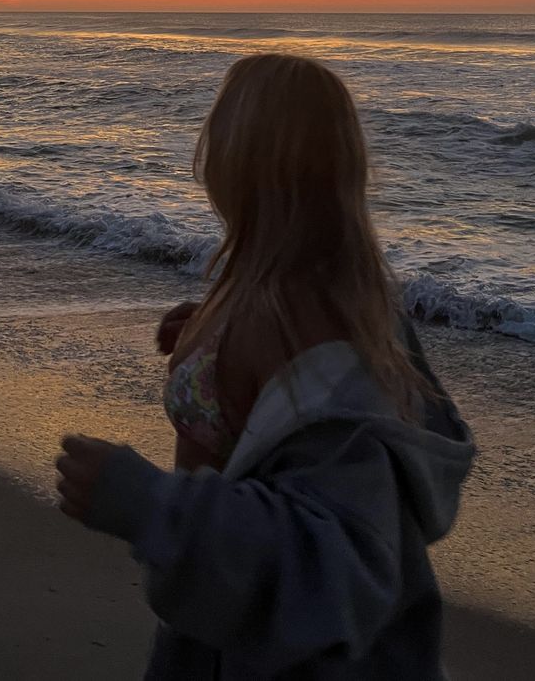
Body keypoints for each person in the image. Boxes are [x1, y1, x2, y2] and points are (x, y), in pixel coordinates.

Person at [56, 53, 474, 679]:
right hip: (228, 623)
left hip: (291, 655)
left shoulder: (308, 320)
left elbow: (337, 559)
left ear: (240, 159)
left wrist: (146, 503)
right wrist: (207, 331)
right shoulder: (280, 286)